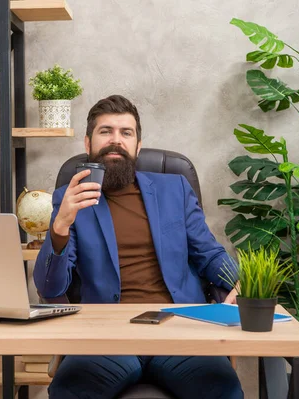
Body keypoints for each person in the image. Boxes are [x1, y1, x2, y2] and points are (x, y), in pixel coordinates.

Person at [33, 95, 243, 399]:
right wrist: (60, 225)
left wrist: (239, 283)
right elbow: (50, 287)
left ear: (138, 146)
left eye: (125, 133)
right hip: (107, 335)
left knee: (225, 392)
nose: (115, 140)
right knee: (69, 392)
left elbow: (208, 254)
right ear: (87, 143)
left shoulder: (175, 189)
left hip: (178, 329)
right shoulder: (70, 198)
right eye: (106, 131)